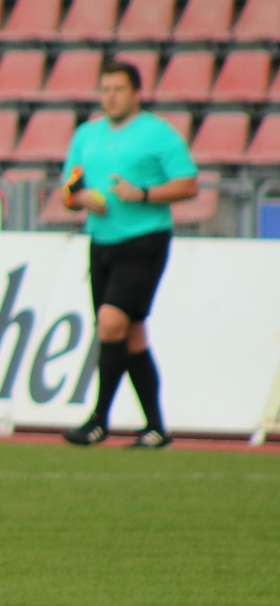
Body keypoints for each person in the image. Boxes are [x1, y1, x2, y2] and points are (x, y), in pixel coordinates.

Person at [60, 60, 196, 449]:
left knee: (110, 321)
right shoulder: (87, 135)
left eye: (118, 89)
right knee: (131, 334)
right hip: (101, 241)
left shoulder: (159, 134)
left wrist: (144, 194)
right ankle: (156, 428)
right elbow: (69, 188)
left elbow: (188, 185)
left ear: (137, 93)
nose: (110, 97)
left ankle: (98, 420)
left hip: (144, 241)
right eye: (105, 89)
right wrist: (80, 198)